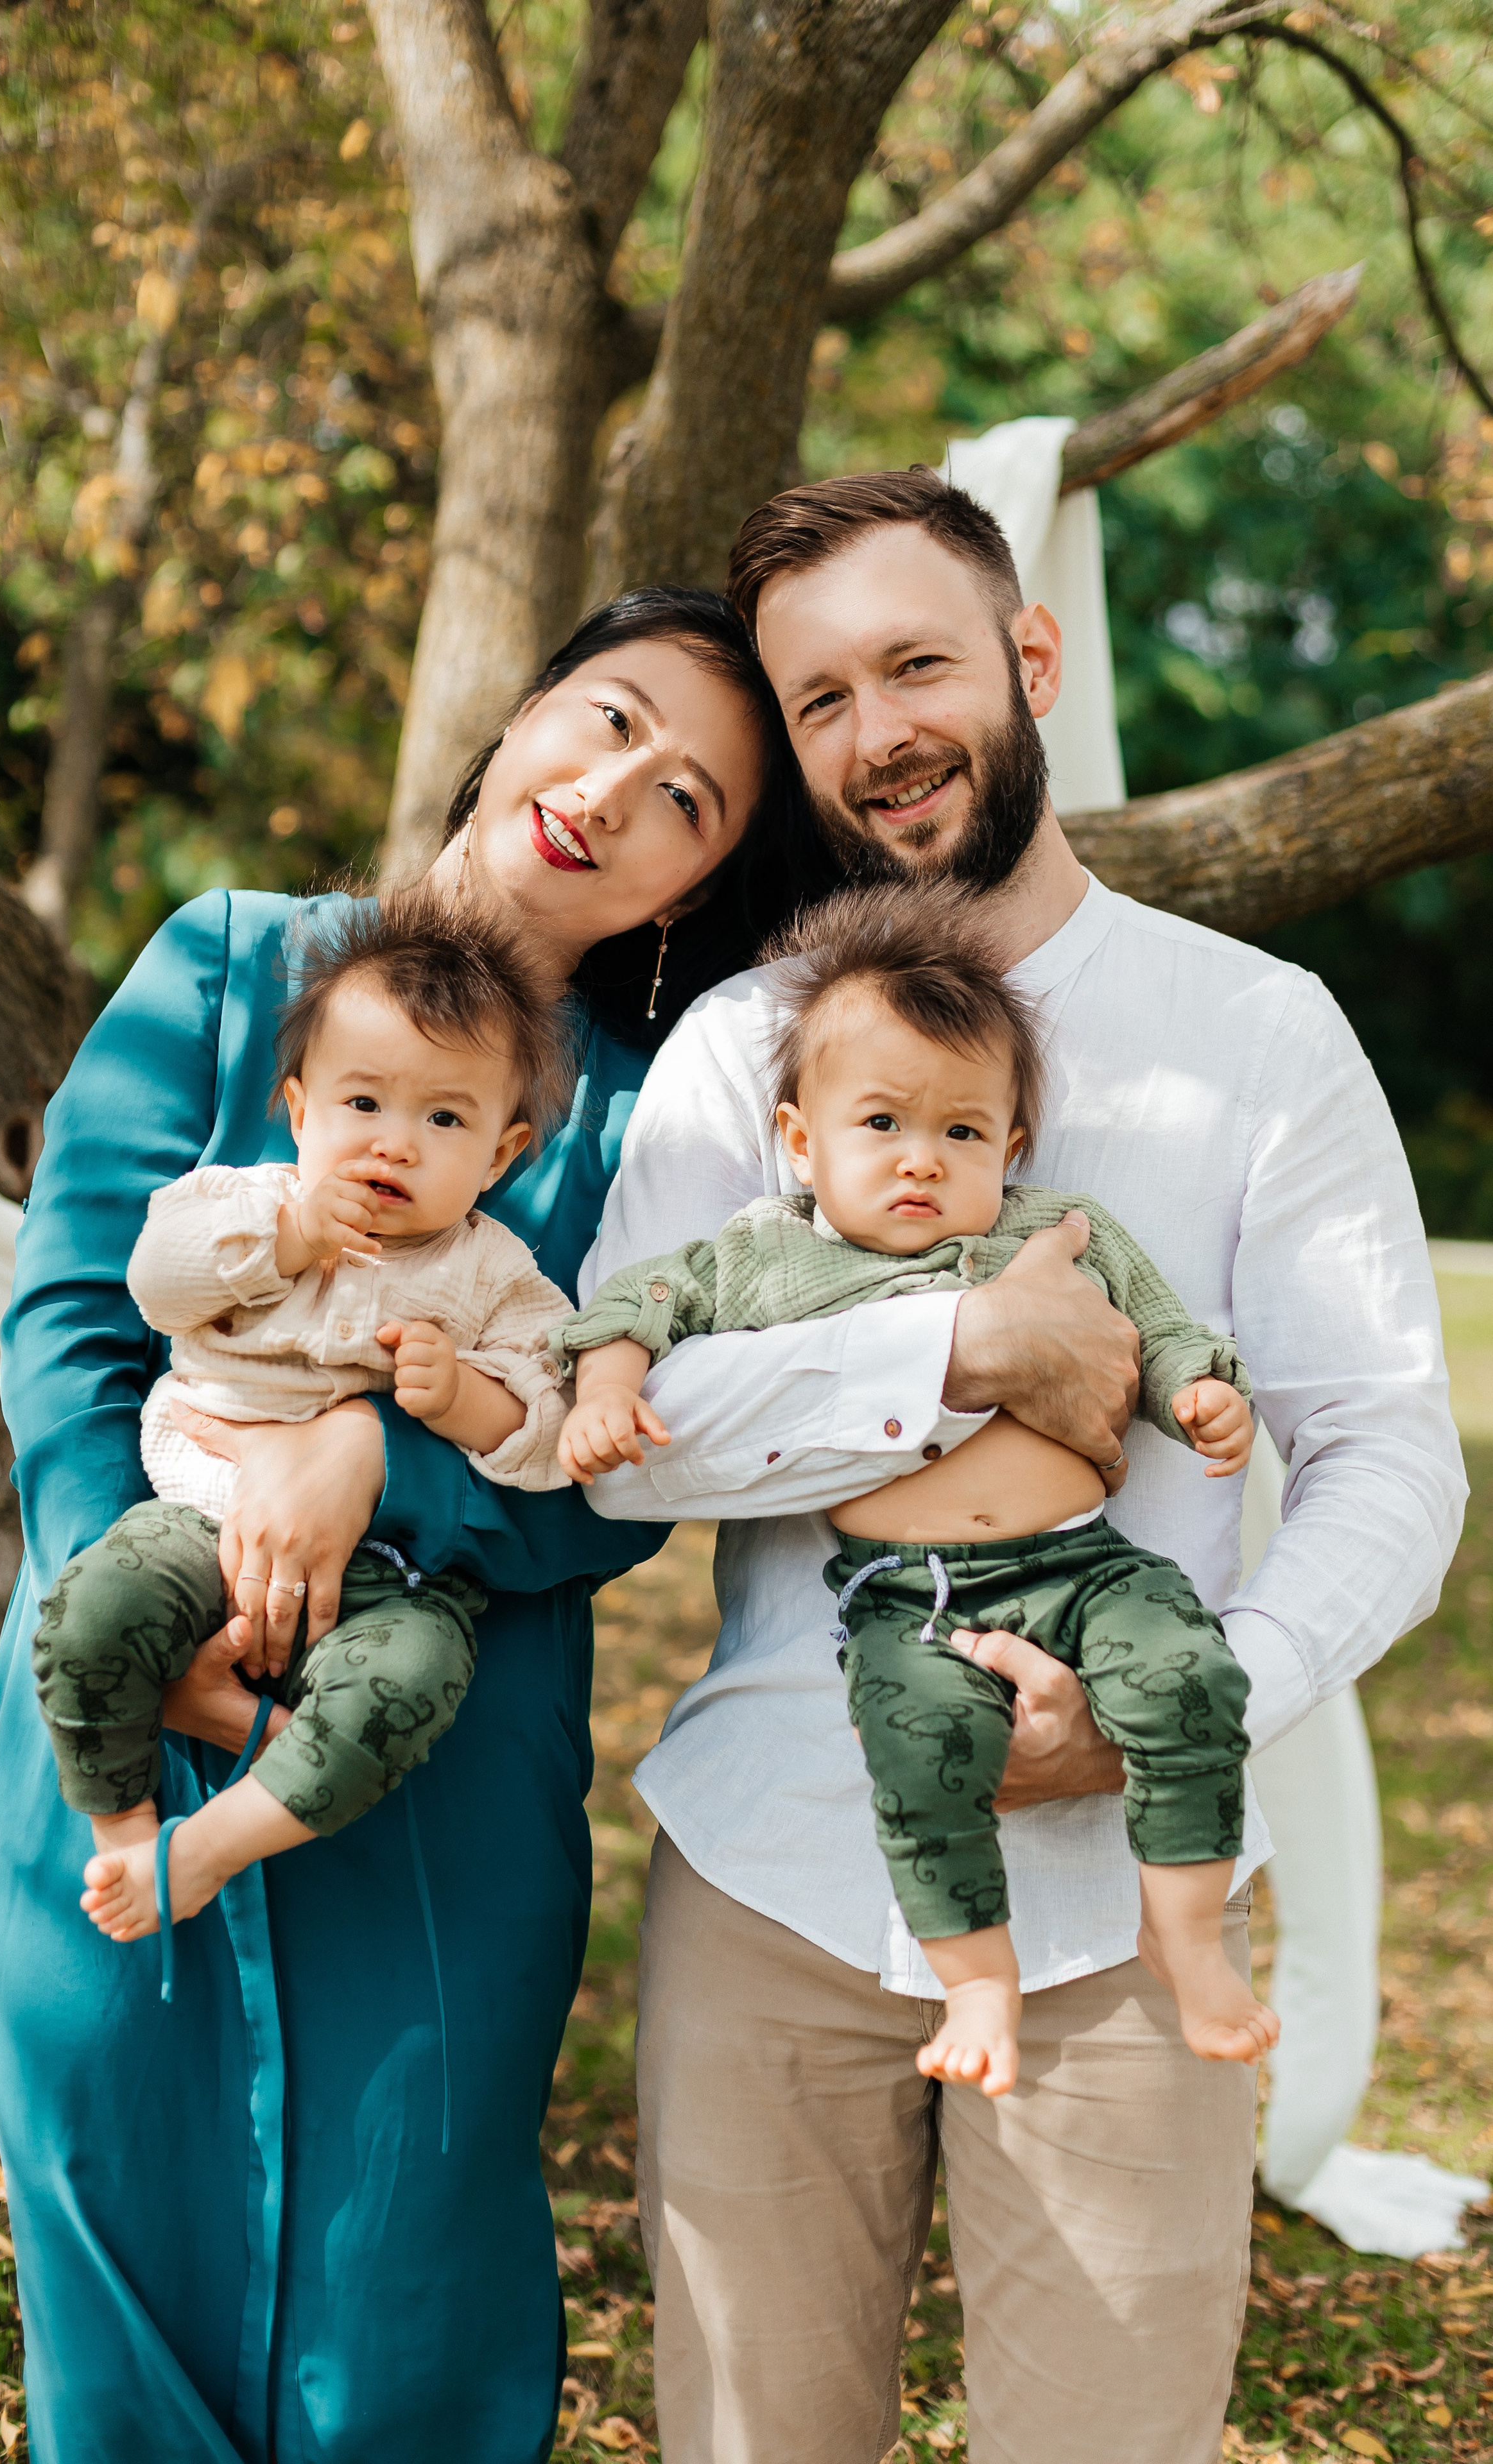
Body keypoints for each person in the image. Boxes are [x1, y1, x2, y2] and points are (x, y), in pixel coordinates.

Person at [579, 471, 1466, 2464]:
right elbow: (617, 1461)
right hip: (777, 1862)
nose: (878, 732)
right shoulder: (743, 1054)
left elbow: (1391, 1456)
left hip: (1125, 1920)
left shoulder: (1259, 1037)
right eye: (821, 702)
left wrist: (1200, 1694)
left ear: (1029, 661)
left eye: (917, 665)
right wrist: (951, 1348)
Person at [0, 586, 823, 2464]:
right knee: (112, 2307)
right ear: (519, 718)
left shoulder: (649, 1132)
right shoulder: (232, 959)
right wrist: (144, 1583)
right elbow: (74, 1314)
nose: (616, 789)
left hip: (436, 1777)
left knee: (403, 2308)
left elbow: (629, 1476)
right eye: (605, 720)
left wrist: (377, 1453)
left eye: (688, 800)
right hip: (112, 1717)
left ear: (694, 891)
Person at [556, 887, 1273, 2094]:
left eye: (961, 1134)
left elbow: (1157, 1330)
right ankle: (979, 1982)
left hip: (1085, 1565)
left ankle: (1186, 1931)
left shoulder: (1060, 1232)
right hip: (910, 1596)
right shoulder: (768, 1255)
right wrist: (604, 1393)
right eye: (880, 1122)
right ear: (799, 1138)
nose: (919, 1162)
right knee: (924, 1750)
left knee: (1190, 1678)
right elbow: (637, 1305)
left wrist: (1200, 1389)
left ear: (1014, 1147)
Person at [33, 889, 577, 1950]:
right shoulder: (242, 1201)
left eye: (445, 1120)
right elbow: (156, 1283)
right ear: (299, 1108)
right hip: (197, 1504)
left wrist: (462, 1397)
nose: (396, 1145)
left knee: (414, 1684)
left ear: (502, 1155)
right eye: (363, 1104)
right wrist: (284, 1236)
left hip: (392, 1569)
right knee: (94, 1612)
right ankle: (126, 1825)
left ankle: (217, 1843)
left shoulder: (495, 1272)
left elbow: (550, 1422)